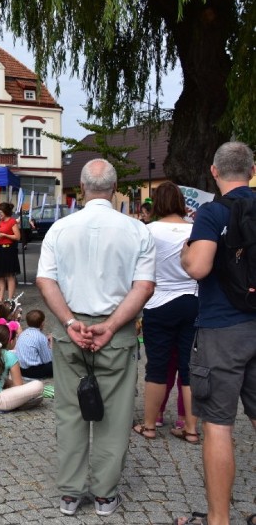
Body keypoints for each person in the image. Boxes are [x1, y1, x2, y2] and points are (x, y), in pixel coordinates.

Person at [37, 158, 155, 518]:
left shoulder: (59, 228)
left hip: (71, 328)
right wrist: (113, 323)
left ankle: (71, 494)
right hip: (116, 329)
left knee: (70, 412)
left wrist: (71, 321)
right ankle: (105, 495)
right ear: (115, 188)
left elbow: (46, 280)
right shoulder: (137, 230)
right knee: (115, 415)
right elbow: (144, 287)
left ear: (83, 189)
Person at [178, 142, 256, 525]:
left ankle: (218, 520)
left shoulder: (212, 212)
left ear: (214, 172)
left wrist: (185, 252)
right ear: (252, 169)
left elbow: (198, 267)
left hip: (222, 328)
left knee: (219, 426)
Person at [132, 181, 199, 443]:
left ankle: (150, 425)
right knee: (189, 367)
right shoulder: (196, 230)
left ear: (157, 203)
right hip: (192, 301)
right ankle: (191, 429)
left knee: (157, 367)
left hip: (158, 303)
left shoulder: (149, 231)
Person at [0, 202, 21, 300]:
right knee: (0, 276)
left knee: (9, 275)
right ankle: (0, 298)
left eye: (0, 212)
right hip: (0, 249)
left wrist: (5, 235)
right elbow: (0, 233)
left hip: (9, 249)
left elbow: (17, 237)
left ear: (5, 212)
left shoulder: (12, 222)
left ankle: (10, 299)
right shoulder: (1, 222)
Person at [13, 309, 54, 379]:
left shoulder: (23, 334)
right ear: (42, 323)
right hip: (34, 371)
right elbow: (47, 359)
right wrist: (51, 345)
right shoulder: (41, 337)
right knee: (57, 363)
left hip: (21, 369)